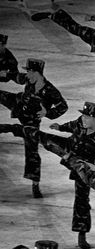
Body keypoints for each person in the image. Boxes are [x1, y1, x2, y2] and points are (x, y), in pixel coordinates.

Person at [37, 101, 95, 249]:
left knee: (81, 199)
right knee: (38, 136)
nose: (83, 119)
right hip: (68, 148)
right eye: (83, 116)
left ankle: (82, 234)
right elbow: (72, 125)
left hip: (82, 165)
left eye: (87, 117)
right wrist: (59, 127)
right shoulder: (81, 122)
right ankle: (10, 129)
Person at [0, 58, 67, 198]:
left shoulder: (50, 90)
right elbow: (15, 76)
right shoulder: (28, 79)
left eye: (29, 71)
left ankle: (35, 184)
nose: (27, 75)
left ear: (37, 73)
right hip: (18, 104)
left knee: (32, 150)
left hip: (31, 119)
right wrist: (5, 74)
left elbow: (63, 107)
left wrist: (47, 113)